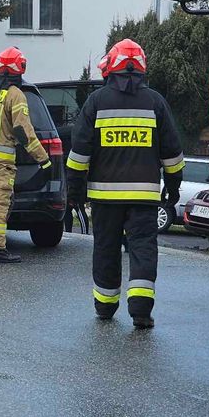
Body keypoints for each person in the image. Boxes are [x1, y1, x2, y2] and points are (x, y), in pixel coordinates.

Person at [66, 39, 184, 329]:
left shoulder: (96, 102)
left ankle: (105, 306)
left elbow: (79, 152)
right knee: (143, 248)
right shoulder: (155, 102)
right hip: (144, 196)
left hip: (104, 198)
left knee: (106, 248)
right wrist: (173, 185)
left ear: (112, 68)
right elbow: (172, 151)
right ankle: (141, 311)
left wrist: (76, 191)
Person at [0, 47, 51, 263]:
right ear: (18, 68)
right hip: (1, 160)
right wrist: (43, 159)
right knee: (0, 201)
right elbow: (24, 132)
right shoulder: (16, 95)